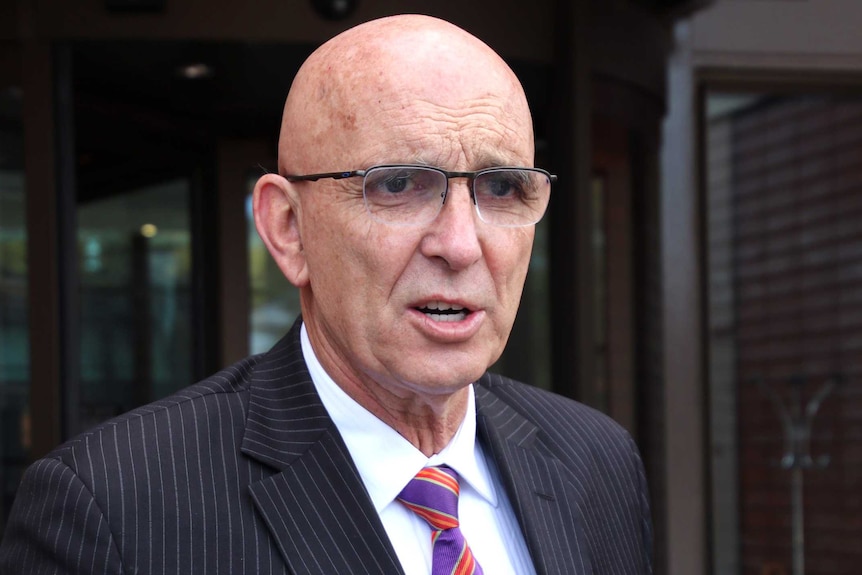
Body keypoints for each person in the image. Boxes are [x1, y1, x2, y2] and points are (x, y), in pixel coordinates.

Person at [0, 14, 652, 575]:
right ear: (288, 228)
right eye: (398, 185)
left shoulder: (595, 459)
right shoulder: (114, 505)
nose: (460, 244)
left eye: (503, 188)